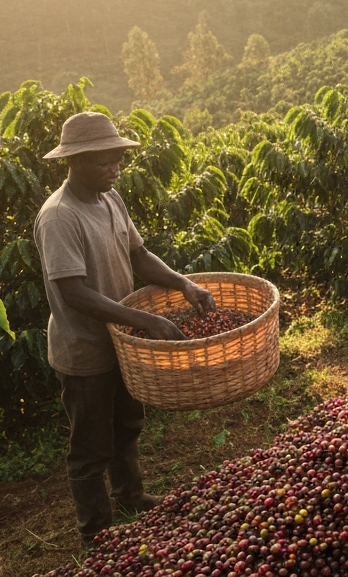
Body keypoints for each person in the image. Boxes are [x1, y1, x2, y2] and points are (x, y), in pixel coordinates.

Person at [34, 111, 216, 544]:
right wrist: (146, 320)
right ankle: (96, 531)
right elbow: (74, 293)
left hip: (122, 341)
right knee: (91, 446)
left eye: (118, 160)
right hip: (85, 349)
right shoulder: (60, 216)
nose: (115, 169)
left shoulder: (109, 198)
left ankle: (130, 495)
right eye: (105, 162)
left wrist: (183, 283)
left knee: (126, 424)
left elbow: (138, 255)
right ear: (75, 162)